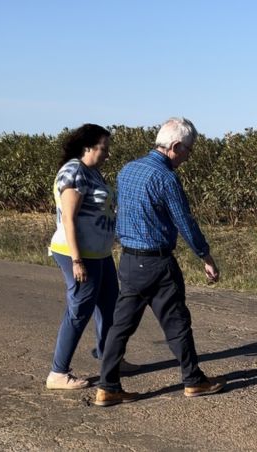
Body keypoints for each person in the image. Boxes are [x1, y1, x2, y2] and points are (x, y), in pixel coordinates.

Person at [95, 117, 226, 406]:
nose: (187, 158)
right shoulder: (166, 178)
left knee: (121, 325)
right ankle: (193, 380)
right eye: (188, 151)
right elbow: (185, 222)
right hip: (157, 263)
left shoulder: (127, 170)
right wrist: (206, 256)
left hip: (128, 260)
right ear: (175, 146)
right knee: (177, 322)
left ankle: (107, 386)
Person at [46, 124, 138, 390]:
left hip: (99, 253)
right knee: (80, 310)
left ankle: (110, 358)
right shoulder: (74, 172)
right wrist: (77, 261)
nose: (107, 154)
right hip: (78, 254)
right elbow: (69, 219)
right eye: (103, 149)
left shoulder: (92, 172)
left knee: (110, 307)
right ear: (87, 147)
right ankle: (58, 372)